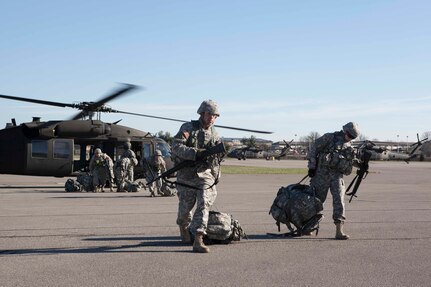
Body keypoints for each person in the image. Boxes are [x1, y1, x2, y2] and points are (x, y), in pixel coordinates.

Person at [171, 100, 222, 253]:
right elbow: (176, 146)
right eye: (209, 114)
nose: (212, 118)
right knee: (185, 209)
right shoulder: (188, 128)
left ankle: (199, 237)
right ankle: (184, 227)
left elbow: (216, 158)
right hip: (186, 175)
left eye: (215, 116)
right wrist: (195, 153)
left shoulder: (215, 134)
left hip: (204, 175)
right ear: (202, 113)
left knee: (204, 202)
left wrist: (216, 175)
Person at [307, 122, 360, 240]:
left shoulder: (349, 146)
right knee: (317, 202)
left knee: (339, 202)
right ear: (345, 131)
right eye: (350, 136)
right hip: (321, 175)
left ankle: (339, 231)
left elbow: (351, 162)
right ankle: (309, 227)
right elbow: (314, 148)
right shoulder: (329, 137)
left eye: (353, 138)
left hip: (337, 177)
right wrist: (311, 166)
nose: (350, 139)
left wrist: (361, 165)